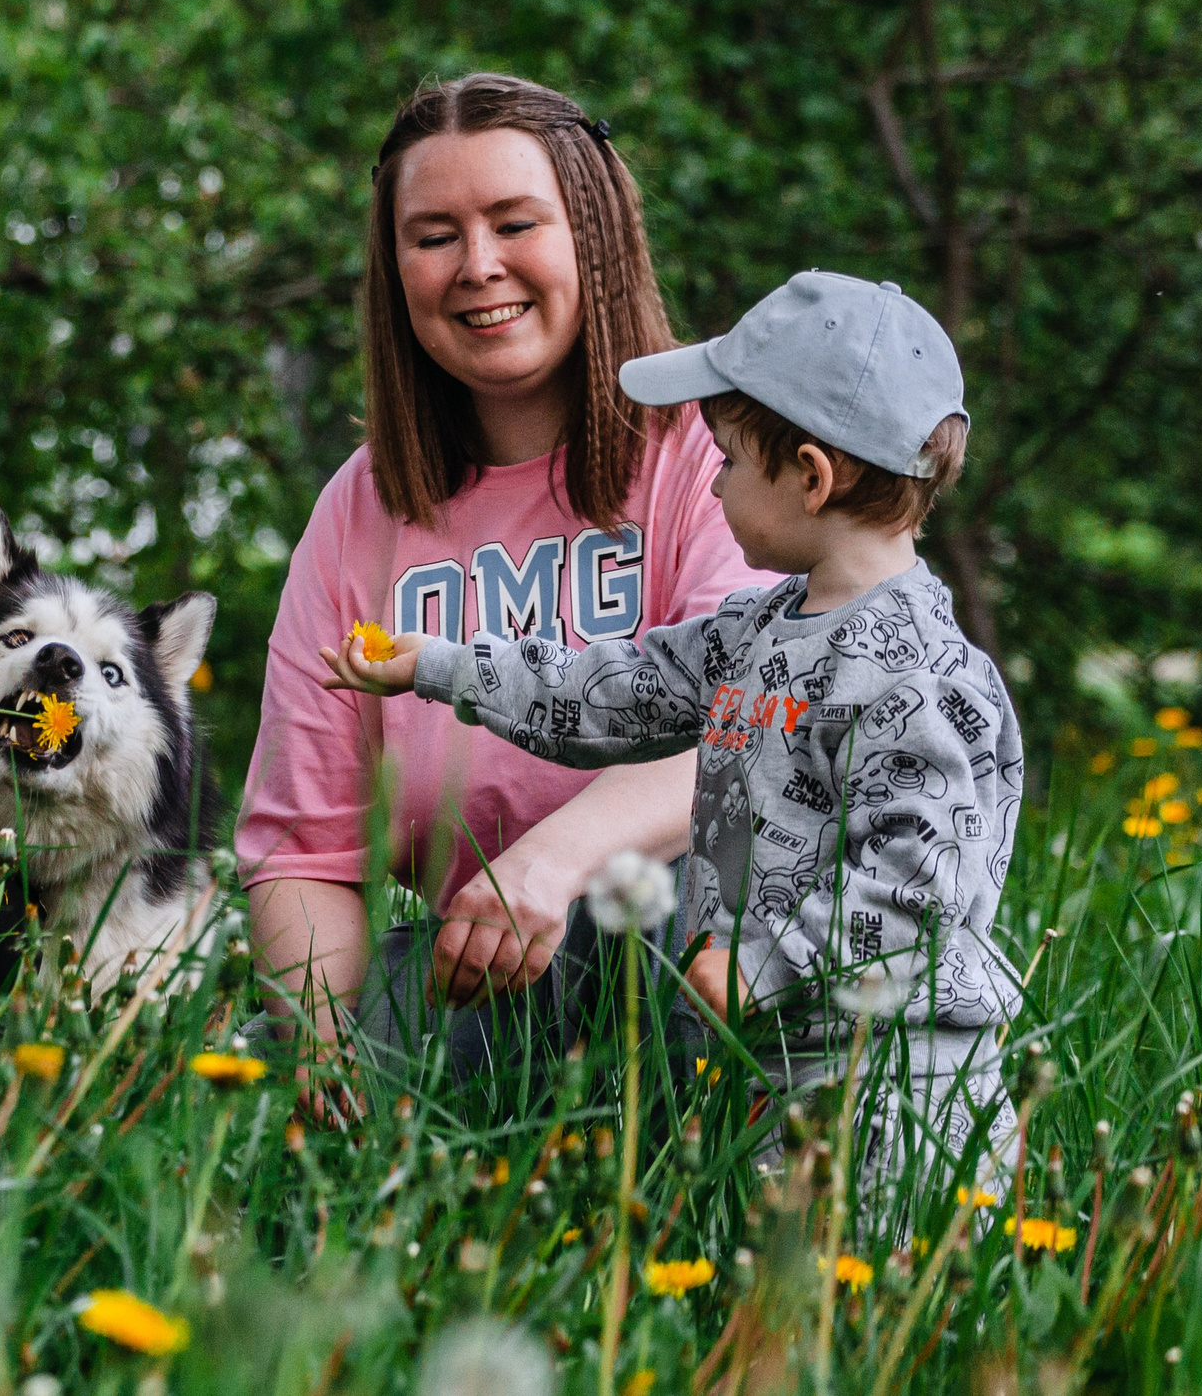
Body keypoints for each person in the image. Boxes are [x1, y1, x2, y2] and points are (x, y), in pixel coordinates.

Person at [325, 270, 1023, 1160]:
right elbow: (608, 691)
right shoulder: (762, 630)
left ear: (809, 476)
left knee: (861, 1290)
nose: (715, 483)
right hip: (767, 1062)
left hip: (895, 1086)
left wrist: (764, 963)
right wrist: (441, 663)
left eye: (729, 459)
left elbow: (920, 880)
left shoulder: (913, 674)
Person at [238, 73, 771, 1102]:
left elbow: (749, 726)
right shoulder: (359, 512)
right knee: (225, 1092)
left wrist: (552, 863)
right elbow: (306, 849)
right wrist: (321, 1052)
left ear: (595, 236)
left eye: (514, 222)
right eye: (433, 235)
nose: (476, 266)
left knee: (650, 928)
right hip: (485, 986)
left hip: (704, 955)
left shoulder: (708, 454)